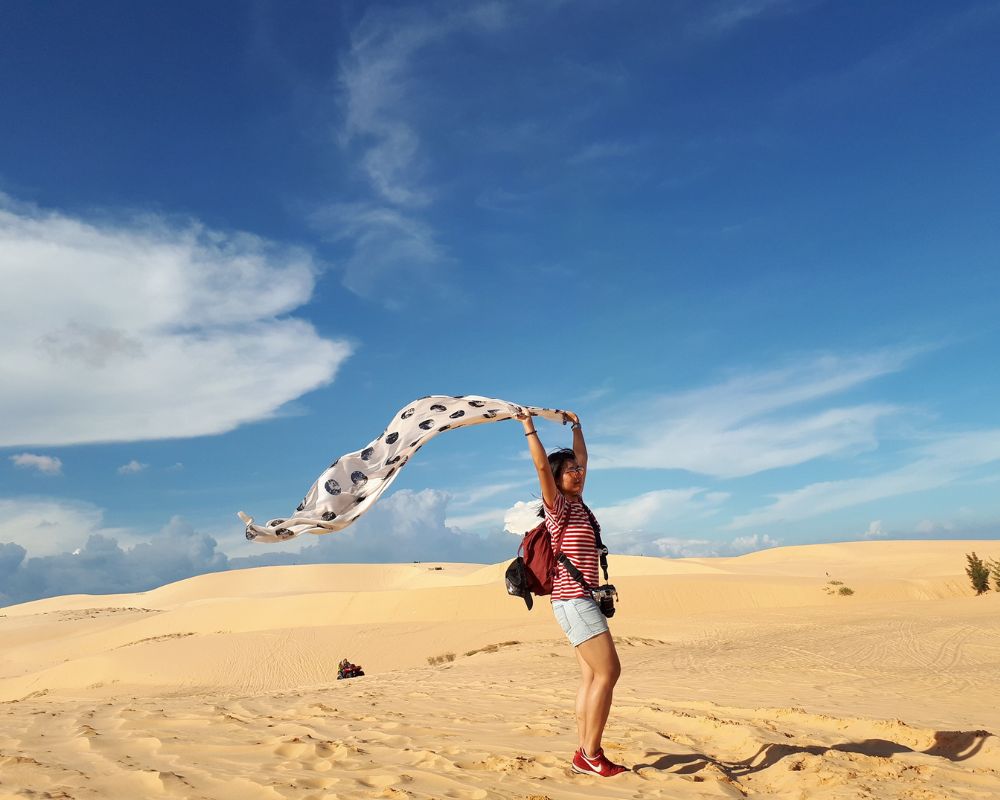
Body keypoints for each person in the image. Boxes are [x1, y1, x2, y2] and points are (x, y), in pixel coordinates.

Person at [517, 410, 627, 777]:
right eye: (570, 471)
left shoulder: (579, 504)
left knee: (591, 677)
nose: (577, 474)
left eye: (578, 471)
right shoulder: (560, 509)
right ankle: (591, 754)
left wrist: (577, 425)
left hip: (581, 601)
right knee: (609, 672)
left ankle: (584, 754)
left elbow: (583, 458)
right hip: (574, 602)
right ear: (558, 478)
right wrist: (529, 427)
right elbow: (541, 469)